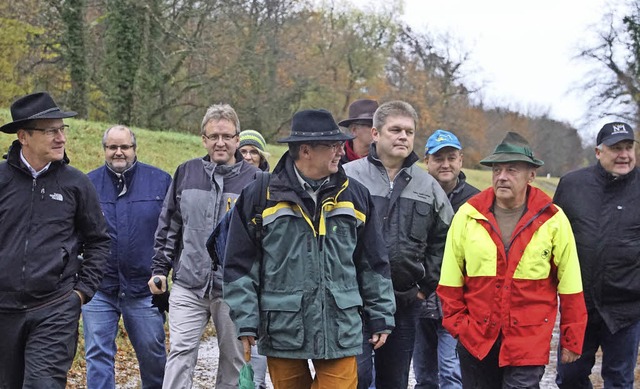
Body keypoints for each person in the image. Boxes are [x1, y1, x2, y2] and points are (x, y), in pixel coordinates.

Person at [223, 108, 396, 389]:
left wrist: (381, 315)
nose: (341, 151)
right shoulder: (260, 195)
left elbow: (373, 262)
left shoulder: (355, 195)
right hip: (283, 328)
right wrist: (246, 319)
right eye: (332, 145)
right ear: (305, 150)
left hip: (339, 326)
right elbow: (239, 264)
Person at [437, 132, 588, 389]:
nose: (502, 176)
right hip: (476, 340)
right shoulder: (468, 215)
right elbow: (450, 281)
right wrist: (460, 327)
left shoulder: (552, 219)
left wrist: (571, 339)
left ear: (531, 175)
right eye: (497, 170)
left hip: (528, 341)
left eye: (512, 170)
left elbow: (570, 283)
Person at [0, 92, 110, 388]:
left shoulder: (76, 183)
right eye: (51, 131)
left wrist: (81, 293)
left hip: (55, 308)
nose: (61, 138)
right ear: (23, 136)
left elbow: (99, 241)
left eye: (63, 129)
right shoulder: (2, 181)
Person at [343, 101, 453, 389]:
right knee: (357, 378)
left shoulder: (427, 185)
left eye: (409, 131)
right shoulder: (347, 177)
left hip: (404, 303)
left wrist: (425, 287)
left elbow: (447, 238)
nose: (403, 136)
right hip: (354, 302)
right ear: (376, 133)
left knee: (394, 382)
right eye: (395, 130)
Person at [148, 104, 259, 389]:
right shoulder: (186, 172)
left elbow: (264, 240)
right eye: (213, 136)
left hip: (235, 289)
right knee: (180, 353)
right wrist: (159, 269)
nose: (220, 143)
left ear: (237, 139)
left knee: (234, 361)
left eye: (226, 136)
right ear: (203, 139)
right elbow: (169, 225)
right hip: (189, 283)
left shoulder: (255, 181)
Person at [83, 125, 171, 389]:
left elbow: (172, 230)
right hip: (99, 286)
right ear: (105, 150)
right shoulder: (87, 183)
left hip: (144, 287)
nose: (118, 152)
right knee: (97, 354)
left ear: (134, 149)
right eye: (112, 147)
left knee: (153, 355)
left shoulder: (160, 181)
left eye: (124, 147)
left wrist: (165, 270)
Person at [554, 121, 640, 389]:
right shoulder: (572, 185)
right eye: (616, 148)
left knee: (619, 380)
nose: (624, 154)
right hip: (580, 303)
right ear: (598, 152)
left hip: (626, 306)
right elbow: (552, 235)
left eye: (629, 147)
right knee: (569, 377)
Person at [413, 129, 479, 389]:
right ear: (426, 162)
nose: (445, 164)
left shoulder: (476, 200)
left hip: (459, 300)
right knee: (424, 373)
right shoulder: (414, 193)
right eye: (438, 158)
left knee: (452, 371)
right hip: (419, 295)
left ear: (461, 160)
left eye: (451, 157)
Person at [338, 99, 378, 163]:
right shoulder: (336, 160)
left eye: (379, 125)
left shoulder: (386, 160)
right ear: (354, 130)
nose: (376, 130)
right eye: (371, 125)